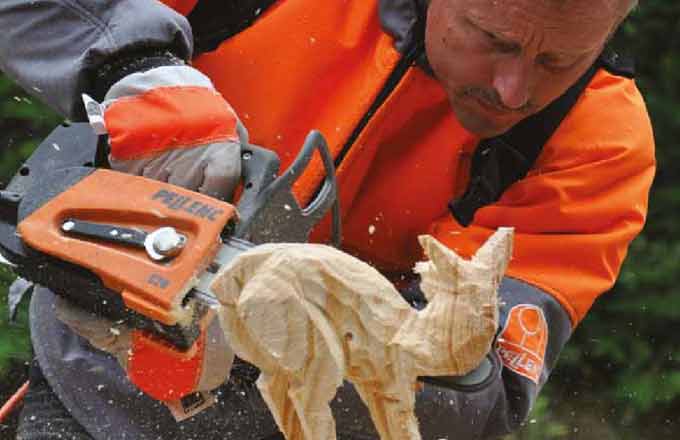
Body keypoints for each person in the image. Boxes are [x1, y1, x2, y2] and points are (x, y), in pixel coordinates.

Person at [0, 0, 654, 439]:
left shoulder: (597, 141)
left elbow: (481, 399)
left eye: (555, 62)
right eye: (494, 41)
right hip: (88, 388)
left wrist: (299, 337)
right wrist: (138, 71)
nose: (515, 90)